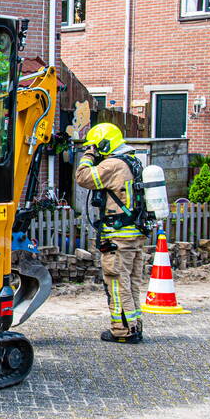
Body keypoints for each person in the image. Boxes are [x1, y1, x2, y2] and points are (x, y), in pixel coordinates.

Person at [75, 123, 146, 344]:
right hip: (134, 233)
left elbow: (83, 177)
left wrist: (88, 154)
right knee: (131, 282)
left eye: (96, 146)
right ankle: (134, 326)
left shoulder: (113, 164)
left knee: (116, 282)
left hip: (118, 236)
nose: (95, 151)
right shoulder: (133, 161)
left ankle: (122, 331)